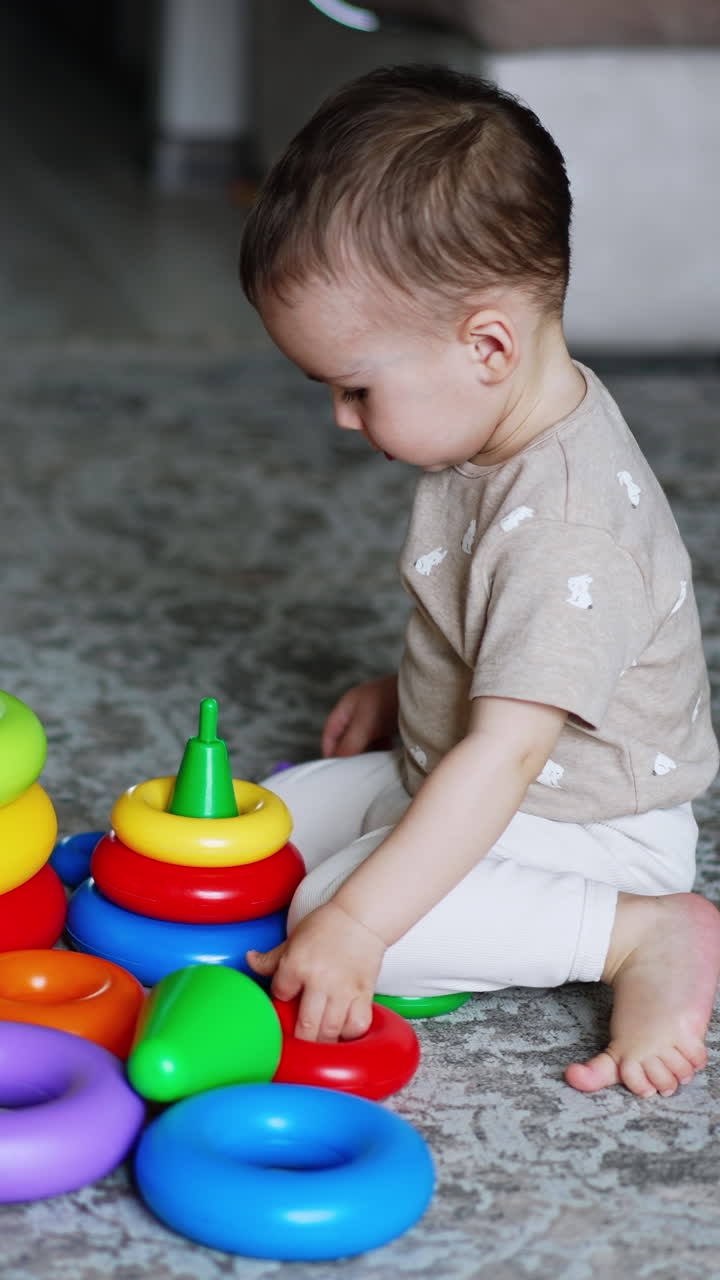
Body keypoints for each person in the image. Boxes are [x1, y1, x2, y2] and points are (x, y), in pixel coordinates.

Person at [238, 64, 720, 1098]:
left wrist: (360, 922)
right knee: (266, 820)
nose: (341, 419)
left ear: (488, 344)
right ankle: (390, 866)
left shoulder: (570, 533)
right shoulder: (491, 424)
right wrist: (410, 688)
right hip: (473, 768)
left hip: (593, 832)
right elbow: (493, 632)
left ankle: (645, 933)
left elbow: (507, 756)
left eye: (355, 388)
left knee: (339, 911)